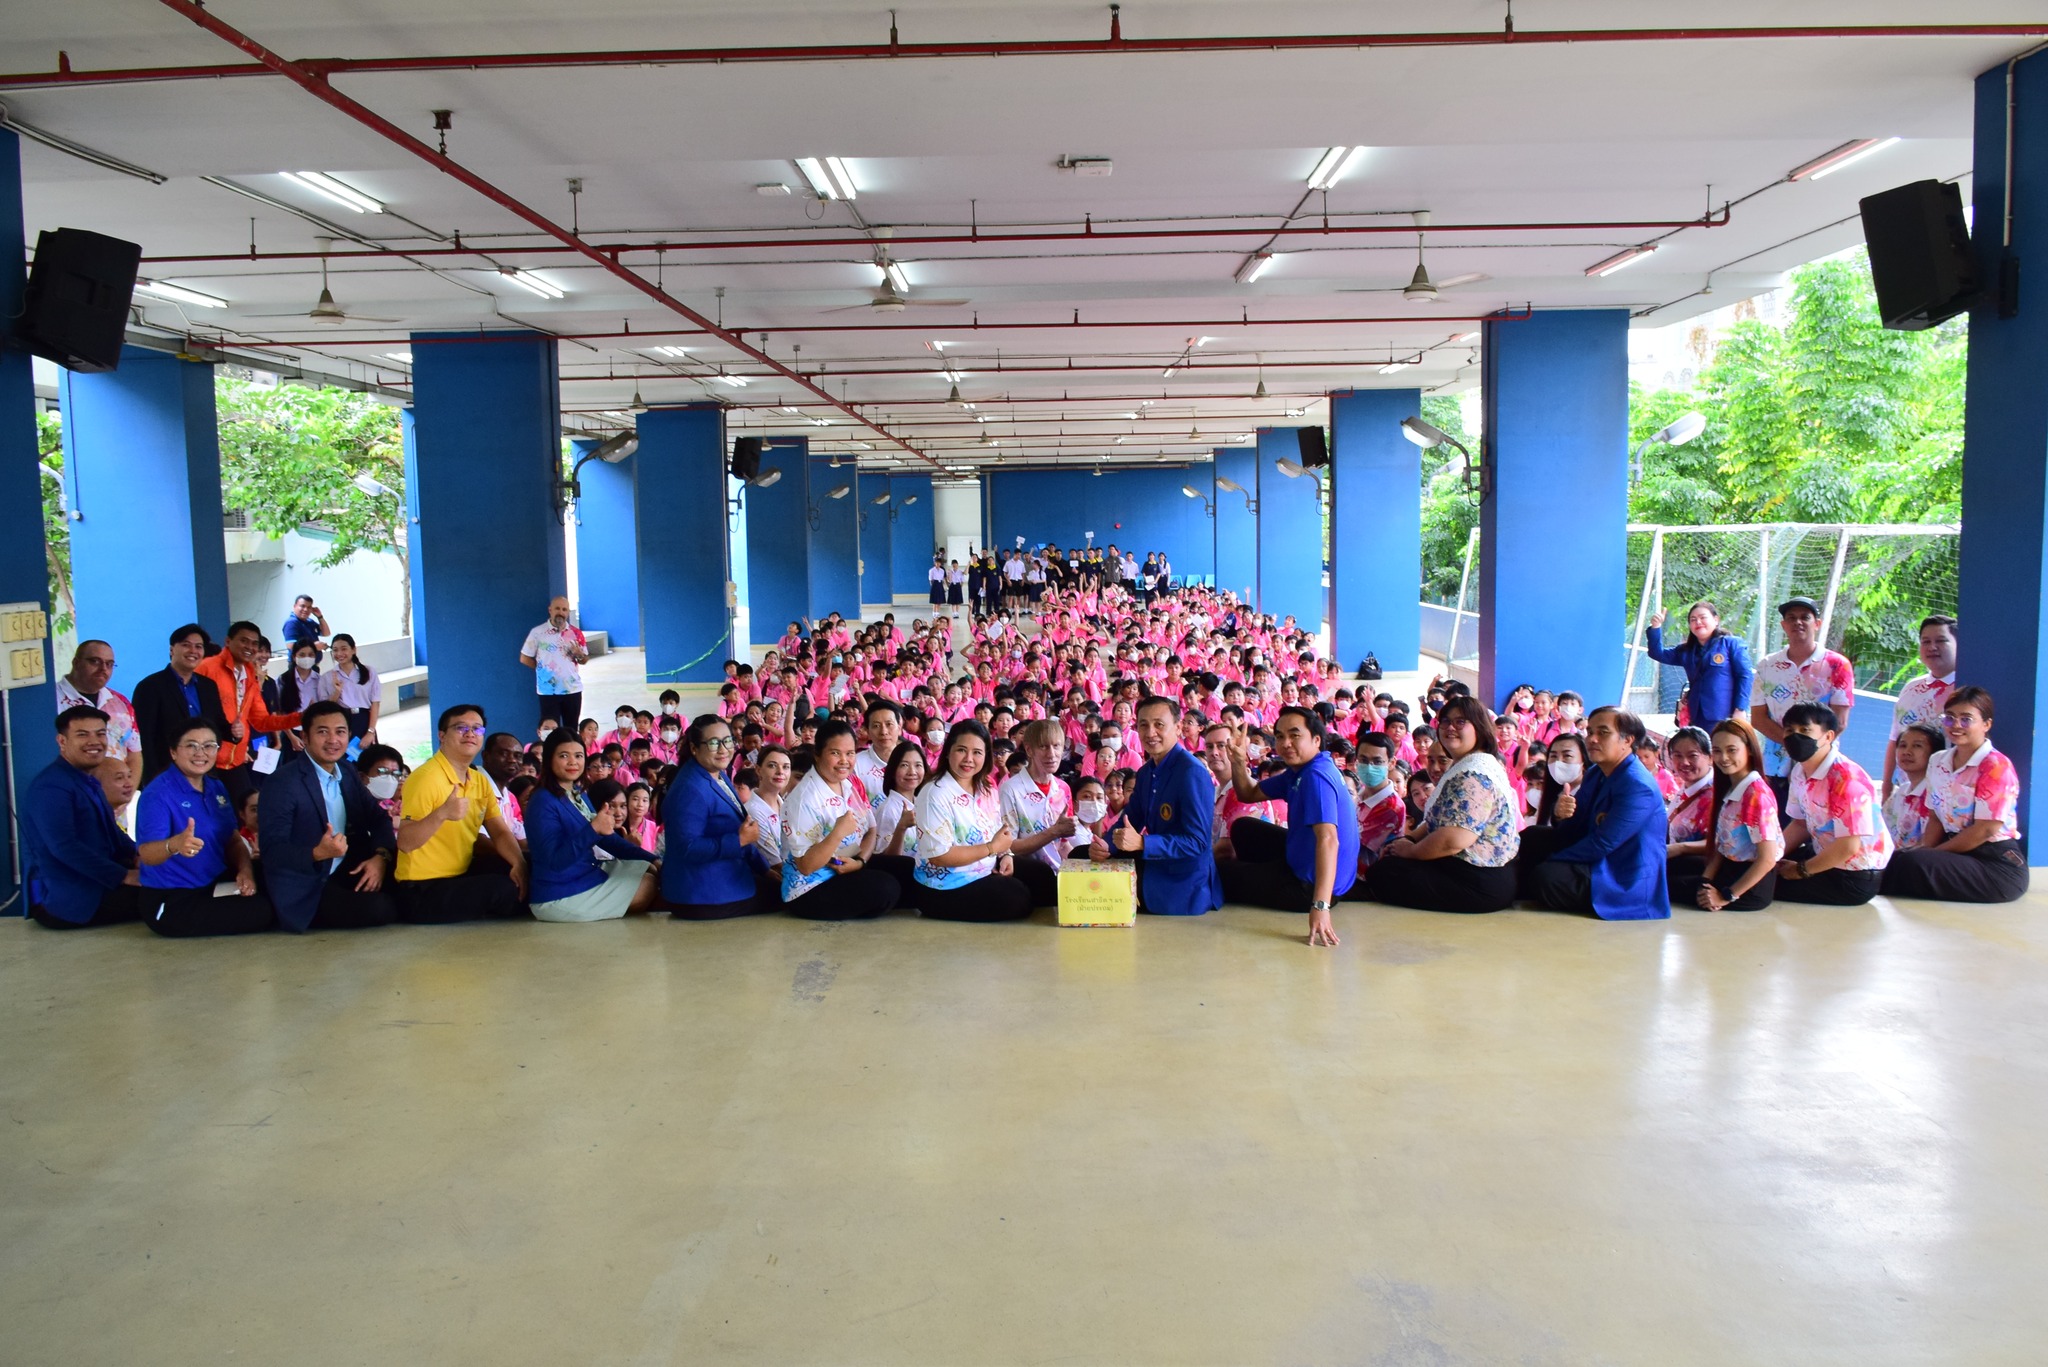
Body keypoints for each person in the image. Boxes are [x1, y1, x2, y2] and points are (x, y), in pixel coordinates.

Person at [1362, 697, 1520, 914]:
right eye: (1445, 721)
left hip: (1478, 882)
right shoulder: (1469, 764)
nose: (1450, 728)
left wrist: (1411, 851)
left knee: (1384, 873)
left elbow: (1453, 840)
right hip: (1476, 873)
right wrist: (1410, 839)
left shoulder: (1474, 775)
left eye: (1460, 722)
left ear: (1479, 727)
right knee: (1391, 862)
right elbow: (1441, 820)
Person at [1214, 707, 1356, 945]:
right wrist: (1238, 761)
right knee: (1243, 828)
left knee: (1220, 874)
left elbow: (1329, 839)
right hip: (1303, 858)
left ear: (1316, 739)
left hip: (1310, 887)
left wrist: (1320, 906)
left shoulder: (1316, 777)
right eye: (1280, 736)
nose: (1286, 743)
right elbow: (1248, 793)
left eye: (1295, 735)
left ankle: (1266, 881)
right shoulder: (1301, 770)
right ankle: (1263, 877)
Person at [258, 700, 399, 932]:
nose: (333, 740)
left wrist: (380, 858)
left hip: (349, 866)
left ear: (349, 736)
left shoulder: (347, 770)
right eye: (323, 732)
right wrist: (317, 853)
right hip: (309, 884)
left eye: (340, 732)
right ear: (305, 737)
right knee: (380, 908)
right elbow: (272, 850)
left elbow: (378, 818)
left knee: (408, 884)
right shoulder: (282, 783)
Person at [1519, 708, 1670, 920]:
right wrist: (1560, 815)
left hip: (1623, 871)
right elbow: (1577, 823)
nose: (1592, 739)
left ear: (1628, 740)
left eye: (1603, 733)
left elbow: (1603, 843)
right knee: (1532, 837)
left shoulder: (1637, 785)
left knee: (1547, 876)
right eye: (1590, 732)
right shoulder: (1595, 773)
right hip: (1597, 854)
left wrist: (1551, 859)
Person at [1882, 687, 2028, 903]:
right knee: (1894, 860)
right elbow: (1935, 817)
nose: (1956, 725)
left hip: (1995, 865)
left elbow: (1986, 829)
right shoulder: (1938, 761)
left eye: (1966, 719)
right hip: (1955, 853)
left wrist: (1933, 854)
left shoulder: (1996, 766)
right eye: (1950, 718)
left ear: (1986, 724)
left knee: (1911, 863)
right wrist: (1926, 851)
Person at [134, 718, 274, 936]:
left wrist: (245, 871)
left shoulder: (216, 787)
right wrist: (174, 845)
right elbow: (146, 854)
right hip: (173, 899)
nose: (201, 753)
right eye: (191, 745)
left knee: (277, 878)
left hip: (215, 883)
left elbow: (232, 840)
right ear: (173, 752)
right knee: (262, 911)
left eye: (209, 746)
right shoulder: (157, 794)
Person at [394, 703, 528, 922]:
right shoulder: (425, 778)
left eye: (477, 729)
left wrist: (519, 863)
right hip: (421, 889)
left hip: (460, 874)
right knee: (503, 889)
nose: (470, 734)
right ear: (442, 736)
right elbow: (405, 842)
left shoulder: (479, 780)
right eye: (461, 728)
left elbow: (500, 832)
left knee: (528, 865)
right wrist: (442, 813)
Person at [19, 707, 145, 929]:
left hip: (99, 882)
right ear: (62, 741)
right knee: (170, 894)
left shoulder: (87, 779)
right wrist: (124, 876)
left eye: (100, 733)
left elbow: (112, 831)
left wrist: (138, 854)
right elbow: (64, 847)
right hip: (70, 900)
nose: (94, 741)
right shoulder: (51, 786)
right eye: (82, 734)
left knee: (178, 877)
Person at [1101, 697, 1222, 917]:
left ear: (1178, 727)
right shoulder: (1146, 772)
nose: (1150, 733)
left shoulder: (1191, 772)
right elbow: (1130, 818)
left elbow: (1197, 842)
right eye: (1143, 725)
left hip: (1184, 883)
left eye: (1159, 724)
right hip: (1154, 864)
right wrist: (1106, 845)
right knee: (1084, 854)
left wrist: (1143, 843)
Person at [525, 730, 662, 922]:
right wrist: (592, 830)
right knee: (647, 886)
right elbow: (555, 861)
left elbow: (609, 840)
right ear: (549, 760)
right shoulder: (542, 801)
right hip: (559, 894)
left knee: (650, 869)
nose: (573, 762)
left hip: (587, 874)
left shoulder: (577, 793)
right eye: (564, 756)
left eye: (578, 756)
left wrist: (652, 858)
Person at [1771, 702, 1893, 906]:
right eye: (1789, 730)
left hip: (1854, 876)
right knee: (1752, 868)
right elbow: (1800, 824)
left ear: (1828, 736)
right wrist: (1771, 857)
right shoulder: (1800, 772)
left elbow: (1848, 847)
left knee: (1761, 886)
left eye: (1805, 730)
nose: (1795, 737)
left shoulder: (1847, 779)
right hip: (1824, 854)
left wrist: (1799, 871)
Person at [912, 720, 1034, 922]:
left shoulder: (987, 787)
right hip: (944, 886)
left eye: (977, 752)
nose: (968, 759)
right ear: (948, 752)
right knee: (1017, 897)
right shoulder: (934, 793)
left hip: (984, 868)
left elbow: (999, 831)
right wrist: (991, 848)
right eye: (961, 750)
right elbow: (939, 856)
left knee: (1041, 876)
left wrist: (1005, 854)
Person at [780, 719, 902, 919]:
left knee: (906, 869)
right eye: (835, 753)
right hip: (810, 888)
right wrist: (837, 833)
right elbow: (806, 866)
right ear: (817, 754)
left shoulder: (847, 784)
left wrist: (860, 862)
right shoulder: (804, 799)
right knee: (886, 888)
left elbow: (871, 830)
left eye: (850, 753)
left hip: (848, 864)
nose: (844, 760)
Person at [660, 714, 777, 919]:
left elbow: (738, 829)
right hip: (701, 894)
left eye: (727, 741)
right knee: (789, 896)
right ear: (694, 748)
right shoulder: (690, 789)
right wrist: (739, 841)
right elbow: (688, 848)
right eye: (714, 743)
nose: (723, 749)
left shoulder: (717, 774)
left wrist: (765, 869)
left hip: (724, 876)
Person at [1671, 719, 1783, 912]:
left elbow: (1767, 859)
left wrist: (1725, 896)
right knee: (1663, 866)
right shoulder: (1732, 787)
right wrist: (1705, 880)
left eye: (1732, 750)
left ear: (1749, 749)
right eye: (1717, 751)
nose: (1723, 758)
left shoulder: (1756, 795)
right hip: (1728, 867)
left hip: (1748, 886)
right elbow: (1723, 846)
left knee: (1659, 884)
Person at [1751, 596, 1855, 784]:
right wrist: (1794, 745)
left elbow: (1839, 722)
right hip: (1775, 767)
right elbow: (1758, 719)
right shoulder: (1767, 666)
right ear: (1783, 625)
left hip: (1820, 767)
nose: (1797, 622)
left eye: (1805, 617)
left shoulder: (1838, 665)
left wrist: (1808, 750)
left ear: (1817, 624)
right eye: (1791, 617)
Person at [197, 620, 303, 794]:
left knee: (247, 808)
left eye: (254, 643)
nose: (249, 647)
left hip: (236, 761)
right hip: (206, 760)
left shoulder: (249, 675)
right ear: (228, 641)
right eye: (243, 640)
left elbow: (261, 721)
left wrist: (301, 718)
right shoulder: (207, 668)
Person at [131, 624, 234, 786]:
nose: (193, 651)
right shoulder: (150, 686)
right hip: (166, 774)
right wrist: (153, 778)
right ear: (172, 649)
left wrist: (234, 732)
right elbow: (144, 738)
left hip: (204, 771)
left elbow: (217, 724)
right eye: (186, 645)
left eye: (198, 647)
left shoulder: (208, 686)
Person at [998, 720, 1079, 907]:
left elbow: (1063, 844)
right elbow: (1009, 847)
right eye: (1043, 747)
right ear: (1029, 749)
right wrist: (1054, 831)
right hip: (1029, 872)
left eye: (1056, 746)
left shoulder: (1063, 788)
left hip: (1057, 870)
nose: (1051, 754)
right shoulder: (1011, 789)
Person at [1644, 600, 1755, 729]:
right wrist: (1656, 627)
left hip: (1725, 716)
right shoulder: (1686, 651)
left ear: (1716, 620)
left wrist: (1740, 709)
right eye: (1693, 619)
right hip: (1695, 716)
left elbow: (1745, 675)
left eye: (1703, 617)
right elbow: (1657, 653)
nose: (1698, 622)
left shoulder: (1731, 644)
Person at [1883, 615, 1957, 799]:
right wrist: (1886, 787)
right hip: (1908, 793)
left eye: (1941, 641)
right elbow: (1894, 739)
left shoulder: (1965, 691)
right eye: (1926, 641)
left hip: (1947, 795)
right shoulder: (1911, 688)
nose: (1932, 647)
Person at [55, 639, 143, 789]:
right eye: (95, 661)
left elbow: (134, 753)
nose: (103, 669)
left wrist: (128, 791)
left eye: (109, 664)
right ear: (76, 663)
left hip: (118, 796)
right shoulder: (52, 700)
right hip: (73, 793)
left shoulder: (120, 702)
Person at [519, 595, 589, 728]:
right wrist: (542, 669)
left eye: (564, 609)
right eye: (557, 608)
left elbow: (584, 660)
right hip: (548, 691)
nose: (561, 612)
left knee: (571, 730)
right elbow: (524, 658)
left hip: (572, 689)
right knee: (549, 731)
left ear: (568, 613)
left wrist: (579, 655)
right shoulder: (537, 633)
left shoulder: (576, 633)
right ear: (550, 610)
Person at [1663, 726, 1715, 877]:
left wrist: (1681, 848)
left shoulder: (1717, 794)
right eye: (1677, 755)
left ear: (1710, 757)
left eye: (1693, 755)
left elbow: (1723, 842)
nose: (1684, 762)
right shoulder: (1686, 787)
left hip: (1696, 874)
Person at [1882, 722, 1944, 850]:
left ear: (1935, 754)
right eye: (1902, 745)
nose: (1907, 752)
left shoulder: (1937, 795)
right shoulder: (1900, 793)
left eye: (1917, 746)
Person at [320, 633, 383, 742]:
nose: (339, 653)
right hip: (340, 722)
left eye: (344, 649)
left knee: (368, 752)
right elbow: (324, 709)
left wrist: (370, 731)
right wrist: (336, 692)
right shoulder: (326, 677)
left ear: (353, 650)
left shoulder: (369, 672)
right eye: (335, 650)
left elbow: (375, 703)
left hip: (364, 720)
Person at [744, 745, 794, 875]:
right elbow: (776, 864)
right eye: (772, 766)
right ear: (758, 770)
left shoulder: (785, 804)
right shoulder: (754, 812)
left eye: (786, 767)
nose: (780, 772)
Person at [478, 731, 529, 844]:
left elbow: (519, 836)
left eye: (518, 756)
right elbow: (479, 841)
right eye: (504, 754)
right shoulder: (475, 786)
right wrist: (516, 854)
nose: (512, 760)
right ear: (486, 756)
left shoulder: (507, 794)